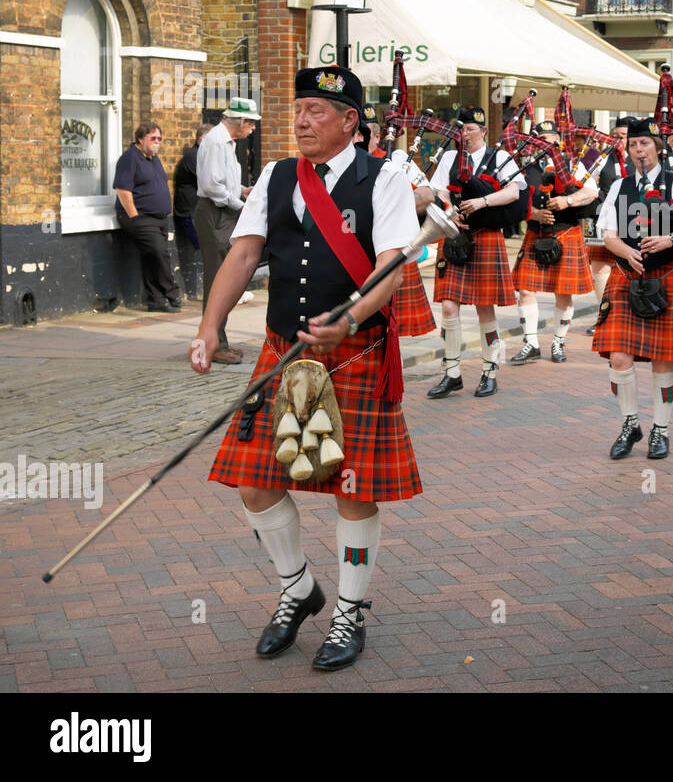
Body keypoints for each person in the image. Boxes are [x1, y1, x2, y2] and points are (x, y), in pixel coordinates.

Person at [193, 65, 421, 672]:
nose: (300, 120)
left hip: (355, 352)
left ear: (350, 121)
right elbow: (243, 255)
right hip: (281, 350)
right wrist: (209, 327)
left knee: (352, 489)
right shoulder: (273, 176)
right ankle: (298, 590)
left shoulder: (385, 179)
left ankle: (349, 612)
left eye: (317, 110)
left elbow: (392, 265)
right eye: (296, 109)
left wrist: (351, 318)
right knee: (255, 481)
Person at [593, 117, 673, 459]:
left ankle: (661, 430)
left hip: (669, 276)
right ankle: (630, 424)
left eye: (645, 143)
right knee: (619, 358)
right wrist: (626, 252)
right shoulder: (619, 186)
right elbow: (609, 234)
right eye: (633, 144)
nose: (638, 149)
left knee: (663, 361)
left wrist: (670, 239)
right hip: (626, 277)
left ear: (658, 147)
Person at [425, 105, 522, 400]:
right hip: (455, 235)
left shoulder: (499, 157)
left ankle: (490, 370)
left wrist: (483, 202)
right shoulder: (451, 158)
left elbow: (515, 191)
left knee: (484, 308)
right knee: (449, 307)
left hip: (486, 236)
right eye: (461, 129)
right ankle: (452, 372)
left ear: (482, 131)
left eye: (470, 129)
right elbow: (437, 191)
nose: (465, 134)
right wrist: (449, 212)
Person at [509, 121, 598, 364]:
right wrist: (532, 214)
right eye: (543, 139)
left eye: (553, 139)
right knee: (525, 289)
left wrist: (566, 202)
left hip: (566, 233)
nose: (549, 144)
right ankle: (531, 343)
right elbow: (512, 197)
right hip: (535, 233)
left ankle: (558, 342)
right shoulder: (524, 167)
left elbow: (591, 192)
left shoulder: (573, 165)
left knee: (564, 293)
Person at [356, 106, 437, 340]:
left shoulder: (398, 159)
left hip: (389, 253)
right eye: (355, 134)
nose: (359, 140)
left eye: (365, 134)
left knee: (390, 329)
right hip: (356, 252)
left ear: (379, 136)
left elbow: (427, 194)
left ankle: (392, 374)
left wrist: (388, 205)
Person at [196, 98, 260, 364]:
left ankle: (220, 341)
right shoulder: (215, 142)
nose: (253, 129)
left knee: (226, 277)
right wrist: (239, 204)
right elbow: (212, 187)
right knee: (217, 281)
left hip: (221, 210)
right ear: (242, 121)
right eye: (252, 123)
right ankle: (213, 345)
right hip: (214, 213)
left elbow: (222, 183)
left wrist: (241, 191)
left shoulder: (226, 142)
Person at [113, 122, 184, 313]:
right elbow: (122, 189)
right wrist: (134, 217)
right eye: (153, 138)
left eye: (159, 138)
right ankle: (171, 292)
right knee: (160, 253)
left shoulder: (153, 158)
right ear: (140, 138)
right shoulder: (129, 159)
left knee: (152, 257)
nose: (157, 142)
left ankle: (156, 301)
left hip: (158, 218)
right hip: (140, 217)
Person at [585, 117, 633, 336]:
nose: (618, 140)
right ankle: (605, 314)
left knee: (631, 267)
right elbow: (587, 181)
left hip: (636, 221)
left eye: (623, 136)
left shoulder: (641, 157)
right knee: (600, 268)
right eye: (616, 135)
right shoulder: (604, 158)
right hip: (607, 218)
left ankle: (629, 315)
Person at [173, 123, 212, 301]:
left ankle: (208, 291)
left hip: (197, 212)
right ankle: (199, 292)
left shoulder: (201, 155)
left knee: (205, 250)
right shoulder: (193, 156)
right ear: (202, 139)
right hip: (189, 213)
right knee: (203, 250)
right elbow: (209, 181)